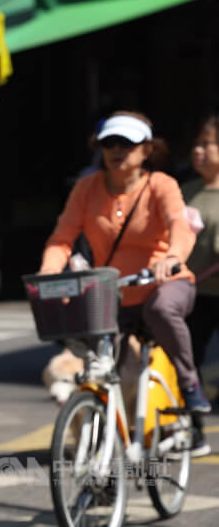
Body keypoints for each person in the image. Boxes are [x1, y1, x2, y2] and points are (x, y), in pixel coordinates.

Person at [39, 111, 210, 413]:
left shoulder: (161, 184)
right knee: (96, 355)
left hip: (163, 282)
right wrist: (50, 271)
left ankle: (189, 383)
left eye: (126, 143)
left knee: (161, 309)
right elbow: (62, 237)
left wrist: (171, 258)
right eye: (109, 143)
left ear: (147, 150)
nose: (117, 150)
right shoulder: (86, 188)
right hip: (113, 292)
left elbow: (179, 226)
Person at [181, 115, 219, 455]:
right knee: (186, 362)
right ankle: (194, 433)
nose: (198, 150)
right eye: (197, 143)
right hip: (195, 296)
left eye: (207, 144)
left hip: (206, 286)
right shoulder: (186, 191)